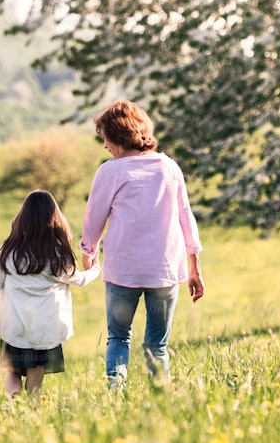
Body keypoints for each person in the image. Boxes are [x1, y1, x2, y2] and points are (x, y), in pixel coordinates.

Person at [79, 100, 205, 388]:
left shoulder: (110, 172)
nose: (104, 146)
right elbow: (187, 218)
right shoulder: (169, 167)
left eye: (104, 138)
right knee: (157, 345)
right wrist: (194, 267)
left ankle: (116, 393)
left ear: (116, 136)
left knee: (119, 337)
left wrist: (89, 252)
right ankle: (161, 396)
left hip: (123, 272)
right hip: (164, 270)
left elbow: (93, 219)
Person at [0, 190, 101, 399]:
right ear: (54, 219)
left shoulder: (8, 251)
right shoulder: (57, 255)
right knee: (35, 372)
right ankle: (32, 408)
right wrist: (95, 268)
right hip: (44, 329)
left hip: (14, 327)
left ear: (22, 218)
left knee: (12, 371)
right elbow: (80, 280)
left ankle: (13, 398)